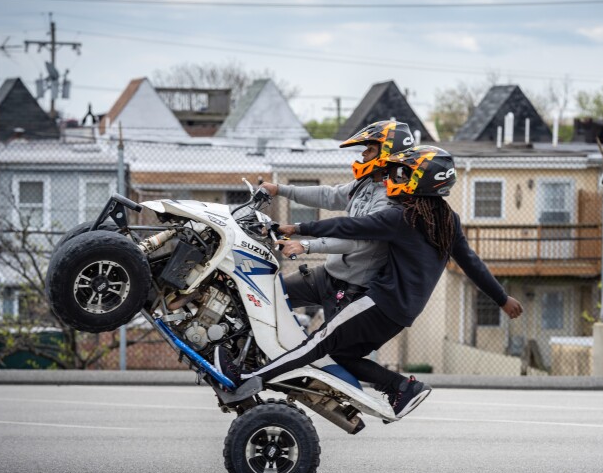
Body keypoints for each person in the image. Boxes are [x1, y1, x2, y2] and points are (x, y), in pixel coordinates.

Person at [218, 145, 523, 419]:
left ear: (422, 180)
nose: (395, 178)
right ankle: (401, 387)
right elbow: (472, 264)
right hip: (401, 315)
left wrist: (297, 228)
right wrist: (502, 299)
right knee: (342, 354)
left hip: (380, 303)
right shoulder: (447, 219)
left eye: (404, 173)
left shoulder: (402, 217)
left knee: (319, 342)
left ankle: (249, 379)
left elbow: (350, 226)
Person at [262, 119, 414, 324]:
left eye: (370, 149)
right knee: (268, 296)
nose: (363, 154)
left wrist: (305, 245)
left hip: (352, 289)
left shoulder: (390, 201)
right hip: (326, 275)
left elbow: (358, 242)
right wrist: (280, 189)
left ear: (387, 155)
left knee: (332, 345)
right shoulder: (366, 182)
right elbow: (329, 195)